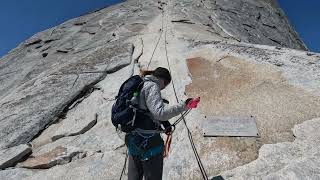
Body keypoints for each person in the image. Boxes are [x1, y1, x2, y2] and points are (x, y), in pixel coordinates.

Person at [125, 67, 198, 180]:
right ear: (163, 80)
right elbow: (159, 113)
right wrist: (184, 105)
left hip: (132, 139)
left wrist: (165, 123)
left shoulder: (140, 83)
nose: (162, 88)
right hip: (148, 143)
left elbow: (144, 110)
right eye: (165, 85)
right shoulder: (153, 86)